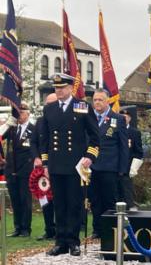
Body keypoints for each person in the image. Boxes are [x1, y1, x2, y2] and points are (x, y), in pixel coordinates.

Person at [40, 73, 100, 256]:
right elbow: (45, 139)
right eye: (56, 88)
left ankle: (73, 242)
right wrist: (45, 164)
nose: (58, 91)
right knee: (59, 204)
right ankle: (60, 242)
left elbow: (95, 138)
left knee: (74, 204)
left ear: (70, 88)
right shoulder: (49, 109)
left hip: (76, 165)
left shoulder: (82, 107)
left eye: (61, 88)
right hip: (56, 165)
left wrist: (90, 157)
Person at [89, 89, 128, 238]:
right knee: (95, 200)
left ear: (107, 101)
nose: (97, 102)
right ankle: (97, 229)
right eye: (95, 100)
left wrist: (122, 169)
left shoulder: (117, 119)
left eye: (100, 100)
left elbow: (123, 146)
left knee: (109, 200)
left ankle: (110, 230)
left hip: (110, 167)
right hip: (92, 166)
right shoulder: (90, 118)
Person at [4, 102, 34, 237]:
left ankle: (25, 228)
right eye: (17, 112)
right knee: (15, 200)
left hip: (25, 170)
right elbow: (0, 136)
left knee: (25, 200)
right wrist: (7, 124)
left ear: (28, 113)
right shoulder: (11, 129)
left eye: (21, 112)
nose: (19, 115)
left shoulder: (33, 129)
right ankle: (17, 227)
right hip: (11, 169)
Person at [30, 93, 57, 241]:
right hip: (42, 169)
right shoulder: (40, 122)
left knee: (58, 200)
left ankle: (60, 230)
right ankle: (49, 230)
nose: (48, 106)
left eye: (51, 103)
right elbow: (33, 142)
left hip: (57, 166)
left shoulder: (61, 120)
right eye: (47, 104)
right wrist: (36, 157)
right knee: (44, 199)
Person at [118, 109, 143, 210]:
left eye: (126, 116)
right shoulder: (115, 130)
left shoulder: (134, 133)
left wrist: (134, 167)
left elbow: (138, 152)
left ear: (130, 118)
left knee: (127, 192)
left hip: (127, 168)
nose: (124, 118)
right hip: (114, 166)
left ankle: (130, 213)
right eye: (122, 116)